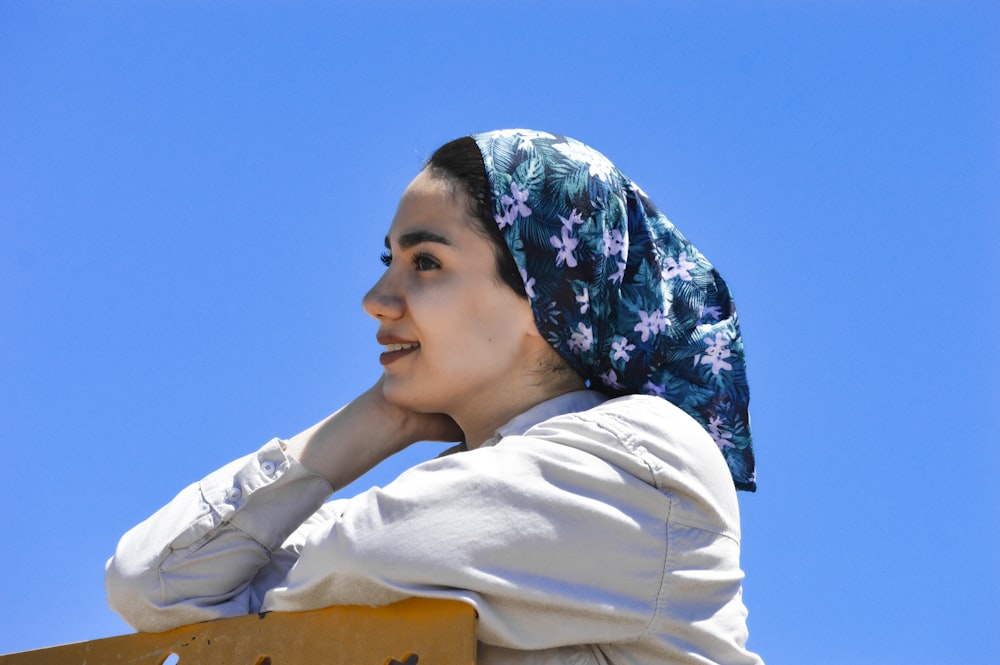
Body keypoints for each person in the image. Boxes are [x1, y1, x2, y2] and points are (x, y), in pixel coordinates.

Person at [106, 130, 763, 665]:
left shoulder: (642, 456)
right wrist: (376, 420)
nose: (376, 300)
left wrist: (252, 594)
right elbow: (152, 581)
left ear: (546, 295)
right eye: (388, 259)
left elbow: (366, 554)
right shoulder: (459, 487)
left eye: (425, 263)